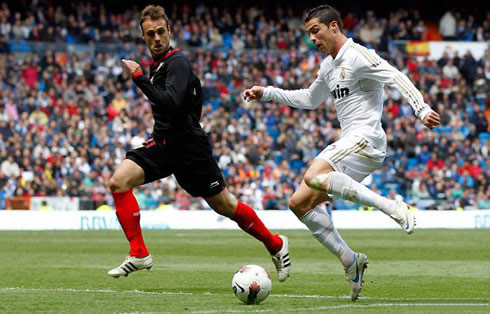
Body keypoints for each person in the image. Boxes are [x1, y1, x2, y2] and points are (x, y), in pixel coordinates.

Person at [243, 4, 440, 301]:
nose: (312, 39)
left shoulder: (358, 56)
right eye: (309, 33)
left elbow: (395, 75)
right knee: (298, 203)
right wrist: (267, 92)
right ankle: (351, 261)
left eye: (315, 31)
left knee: (313, 174)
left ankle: (392, 207)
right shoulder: (328, 66)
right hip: (352, 144)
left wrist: (421, 108)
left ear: (333, 26)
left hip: (367, 138)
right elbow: (310, 99)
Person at [107, 5, 290, 282]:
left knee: (225, 206)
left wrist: (138, 78)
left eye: (160, 32)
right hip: (165, 143)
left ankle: (276, 245)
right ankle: (139, 253)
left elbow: (172, 102)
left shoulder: (177, 62)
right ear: (143, 38)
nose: (156, 38)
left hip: (191, 148)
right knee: (119, 181)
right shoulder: (159, 65)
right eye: (150, 34)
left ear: (169, 31)